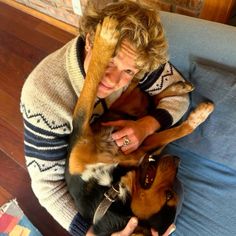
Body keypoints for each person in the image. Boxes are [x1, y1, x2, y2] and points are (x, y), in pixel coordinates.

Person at [20, 0, 189, 235]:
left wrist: (146, 126)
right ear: (91, 41)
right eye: (109, 61)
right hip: (92, 185)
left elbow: (180, 96)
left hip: (121, 173)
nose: (112, 80)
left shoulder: (135, 57)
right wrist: (88, 233)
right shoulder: (44, 97)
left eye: (128, 72)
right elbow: (47, 187)